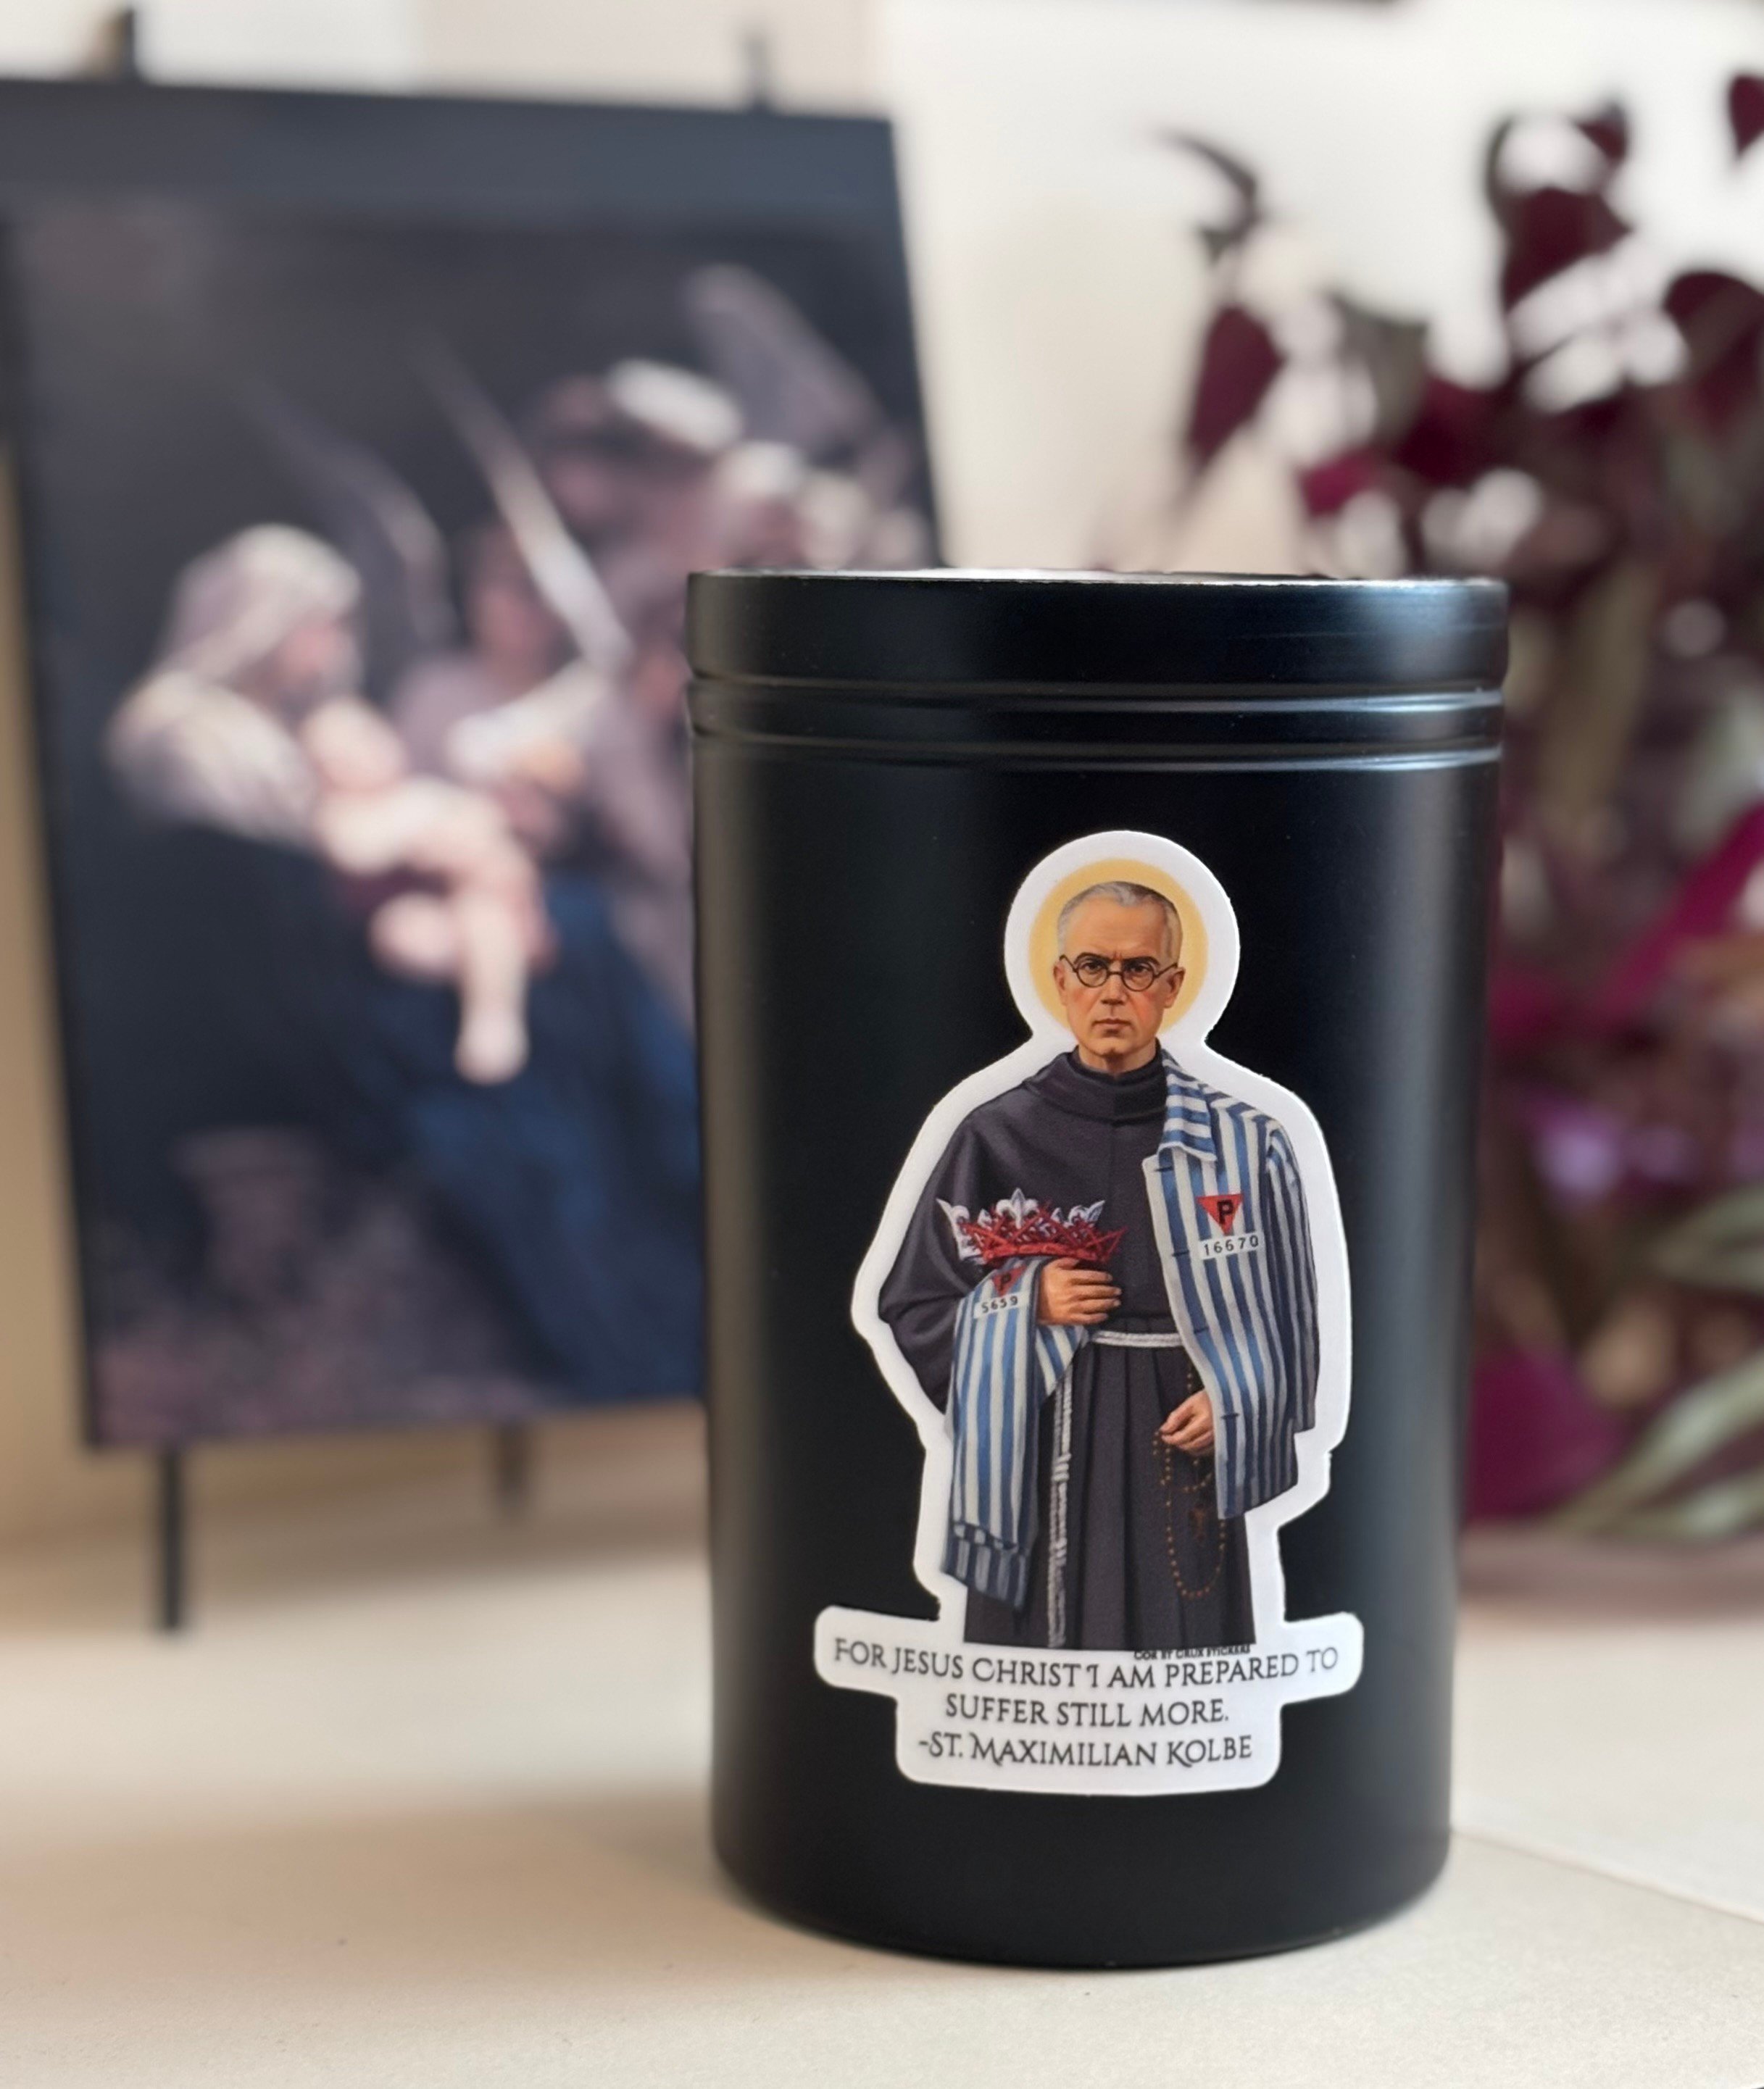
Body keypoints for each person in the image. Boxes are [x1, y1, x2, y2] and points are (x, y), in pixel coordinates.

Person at [878, 881, 1319, 1651]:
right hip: (1039, 1429)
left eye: (1138, 969)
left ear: (1173, 987)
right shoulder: (994, 1135)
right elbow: (914, 1304)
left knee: (1178, 1637)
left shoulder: (1246, 1144)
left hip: (1179, 1431)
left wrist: (1238, 1399)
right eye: (1091, 966)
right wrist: (1024, 1299)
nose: (1113, 992)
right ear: (1059, 981)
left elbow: (1295, 1323)